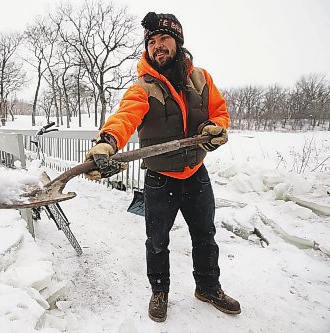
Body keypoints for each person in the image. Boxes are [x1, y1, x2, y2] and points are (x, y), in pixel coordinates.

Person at [84, 12, 240, 322]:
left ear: (177, 42)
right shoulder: (142, 87)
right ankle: (159, 290)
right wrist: (107, 142)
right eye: (151, 42)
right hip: (160, 178)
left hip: (196, 173)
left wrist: (215, 129)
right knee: (157, 241)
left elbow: (219, 113)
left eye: (163, 40)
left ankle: (208, 287)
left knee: (205, 235)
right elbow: (124, 118)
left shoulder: (202, 79)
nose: (158, 47)